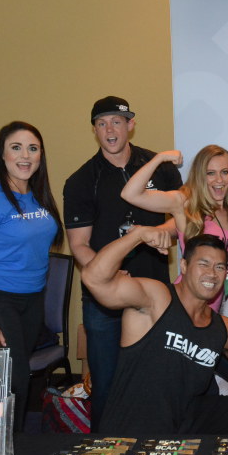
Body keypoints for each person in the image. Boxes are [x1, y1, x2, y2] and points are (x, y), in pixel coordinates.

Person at [83, 230, 228, 436]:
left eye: (219, 267)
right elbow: (94, 279)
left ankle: (199, 453)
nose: (212, 273)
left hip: (185, 417)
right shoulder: (156, 298)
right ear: (184, 266)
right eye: (203, 264)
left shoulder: (221, 327)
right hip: (135, 424)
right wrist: (137, 236)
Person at [63, 96, 183, 430]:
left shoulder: (159, 168)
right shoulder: (81, 181)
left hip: (155, 294)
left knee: (157, 380)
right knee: (106, 384)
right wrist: (110, 274)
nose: (109, 130)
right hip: (105, 300)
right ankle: (103, 451)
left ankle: (157, 448)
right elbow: (79, 245)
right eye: (101, 123)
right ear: (94, 130)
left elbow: (182, 216)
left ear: (130, 124)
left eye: (116, 121)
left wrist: (162, 232)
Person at [0, 121, 62, 431]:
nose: (25, 156)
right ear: (2, 155)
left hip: (32, 301)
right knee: (14, 382)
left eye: (33, 148)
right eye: (16, 148)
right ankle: (5, 451)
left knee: (17, 383)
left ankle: (9, 448)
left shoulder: (37, 197)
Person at [121, 144, 228, 312]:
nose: (219, 180)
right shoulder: (186, 204)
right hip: (184, 306)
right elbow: (130, 194)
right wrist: (160, 158)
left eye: (225, 172)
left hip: (213, 309)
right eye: (210, 173)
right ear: (200, 176)